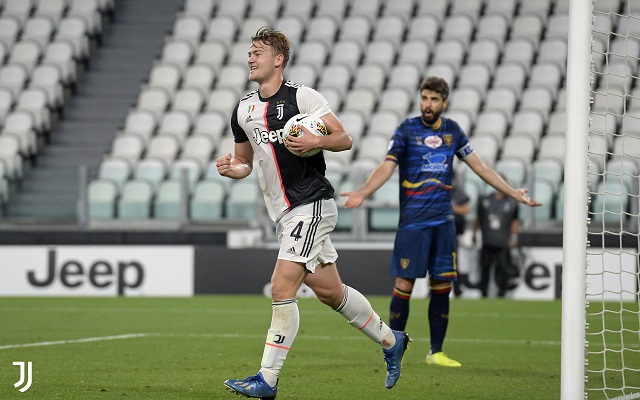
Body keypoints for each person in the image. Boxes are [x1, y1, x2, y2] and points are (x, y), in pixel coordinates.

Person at [218, 27, 410, 399]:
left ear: (278, 60)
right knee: (331, 293)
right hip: (284, 213)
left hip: (312, 203)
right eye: (249, 52)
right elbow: (244, 162)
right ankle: (391, 340)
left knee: (281, 287)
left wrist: (316, 140)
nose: (250, 58)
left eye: (258, 52)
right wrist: (232, 169)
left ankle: (267, 379)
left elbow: (344, 138)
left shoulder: (303, 97)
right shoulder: (243, 109)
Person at [341, 76, 541, 368]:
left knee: (442, 286)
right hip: (413, 223)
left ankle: (436, 352)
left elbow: (480, 167)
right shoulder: (406, 130)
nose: (428, 104)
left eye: (434, 99)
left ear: (444, 102)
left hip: (443, 223)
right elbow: (387, 166)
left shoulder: (453, 132)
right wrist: (362, 192)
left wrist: (512, 193)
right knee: (404, 284)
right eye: (424, 98)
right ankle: (394, 347)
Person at [472, 187, 521, 298]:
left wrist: (514, 238)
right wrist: (474, 234)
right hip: (487, 242)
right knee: (485, 268)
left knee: (503, 269)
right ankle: (483, 292)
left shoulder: (512, 203)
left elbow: (515, 222)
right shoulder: (485, 200)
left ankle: (502, 293)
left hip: (503, 242)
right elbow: (477, 218)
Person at [451, 178, 470, 297]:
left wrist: (449, 208)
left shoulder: (456, 192)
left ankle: (457, 288)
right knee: (433, 263)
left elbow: (466, 209)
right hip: (435, 232)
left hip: (452, 233)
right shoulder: (432, 190)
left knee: (453, 263)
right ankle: (431, 289)